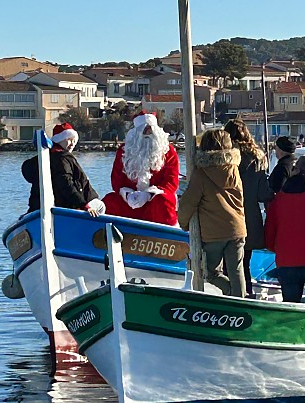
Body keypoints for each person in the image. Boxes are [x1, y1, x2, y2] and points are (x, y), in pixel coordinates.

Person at [178, 129, 247, 298]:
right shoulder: (234, 169)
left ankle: (230, 291)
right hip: (237, 228)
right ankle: (240, 302)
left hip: (214, 233)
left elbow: (188, 203)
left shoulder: (201, 174)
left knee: (209, 272)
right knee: (237, 271)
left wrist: (183, 223)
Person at [224, 118, 274, 297]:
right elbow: (263, 194)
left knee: (227, 266)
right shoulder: (259, 157)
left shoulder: (225, 157)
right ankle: (247, 295)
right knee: (244, 263)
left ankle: (233, 297)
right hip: (250, 218)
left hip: (226, 216)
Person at [102, 111, 179, 225]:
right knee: (110, 200)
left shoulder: (168, 151)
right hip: (130, 201)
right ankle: (109, 234)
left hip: (154, 200)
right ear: (136, 132)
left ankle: (164, 237)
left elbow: (171, 181)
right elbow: (116, 180)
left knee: (163, 202)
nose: (148, 133)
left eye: (151, 129)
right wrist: (128, 195)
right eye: (145, 130)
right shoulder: (124, 151)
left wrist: (149, 194)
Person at [22, 123, 105, 216]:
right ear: (59, 140)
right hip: (69, 207)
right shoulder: (62, 159)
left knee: (100, 205)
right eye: (69, 139)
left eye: (74, 140)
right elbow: (66, 184)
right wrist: (83, 205)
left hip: (41, 208)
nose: (72, 143)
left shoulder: (47, 157)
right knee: (100, 207)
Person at [265, 156, 305, 302]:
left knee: (290, 309)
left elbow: (270, 231)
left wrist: (275, 248)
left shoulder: (279, 199)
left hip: (286, 260)